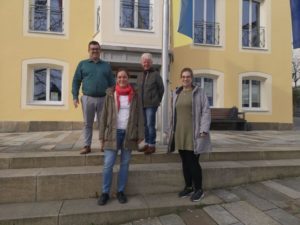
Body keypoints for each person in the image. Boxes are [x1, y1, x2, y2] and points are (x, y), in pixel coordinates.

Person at [98, 69, 144, 205]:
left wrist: (141, 134)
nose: (122, 79)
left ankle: (120, 191)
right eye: (119, 77)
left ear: (128, 78)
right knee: (108, 164)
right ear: (116, 79)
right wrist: (101, 136)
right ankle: (105, 193)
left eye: (124, 77)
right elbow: (104, 116)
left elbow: (140, 115)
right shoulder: (110, 94)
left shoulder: (135, 94)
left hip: (129, 134)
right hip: (112, 133)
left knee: (124, 164)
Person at [167, 67, 212, 202]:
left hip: (194, 133)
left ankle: (199, 189)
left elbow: (206, 111)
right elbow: (172, 113)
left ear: (192, 78)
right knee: (185, 162)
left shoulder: (199, 92)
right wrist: (170, 131)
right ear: (181, 78)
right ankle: (188, 187)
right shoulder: (176, 93)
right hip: (180, 133)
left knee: (193, 162)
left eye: (188, 76)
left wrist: (204, 129)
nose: (185, 79)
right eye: (183, 77)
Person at [72, 41, 115, 154]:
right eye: (92, 49)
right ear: (89, 50)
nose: (95, 51)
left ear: (100, 51)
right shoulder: (82, 64)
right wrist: (75, 96)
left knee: (103, 123)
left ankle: (103, 145)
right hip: (88, 98)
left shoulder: (106, 65)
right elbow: (76, 81)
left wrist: (112, 97)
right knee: (87, 123)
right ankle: (87, 146)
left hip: (104, 99)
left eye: (97, 49)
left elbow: (112, 83)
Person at [137, 53, 164, 154]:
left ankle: (152, 145)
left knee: (150, 125)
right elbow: (137, 89)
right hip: (141, 104)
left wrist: (157, 100)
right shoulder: (140, 75)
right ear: (141, 63)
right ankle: (147, 143)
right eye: (144, 62)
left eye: (148, 61)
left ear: (151, 63)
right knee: (144, 125)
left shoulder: (156, 74)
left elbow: (161, 89)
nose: (146, 63)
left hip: (151, 105)